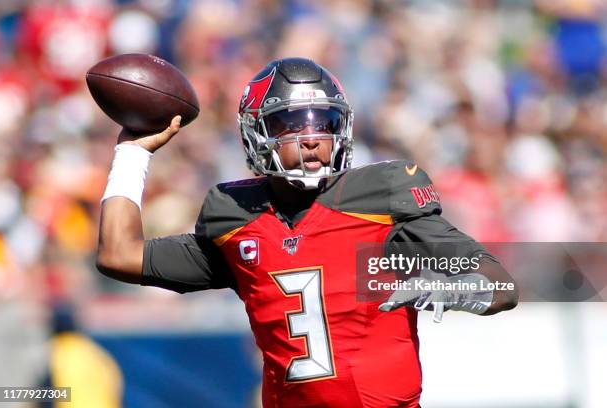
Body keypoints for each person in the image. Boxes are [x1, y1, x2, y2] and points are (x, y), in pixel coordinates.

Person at [96, 57, 518, 407]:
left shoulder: (381, 200)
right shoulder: (236, 217)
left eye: (325, 122)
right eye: (292, 125)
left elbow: (500, 286)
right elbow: (119, 254)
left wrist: (439, 289)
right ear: (256, 134)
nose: (314, 138)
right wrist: (131, 155)